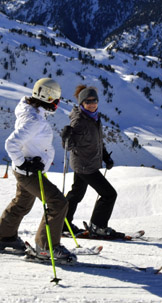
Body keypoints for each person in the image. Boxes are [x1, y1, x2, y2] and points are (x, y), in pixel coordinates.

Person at [0, 78, 75, 262]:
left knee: (22, 203)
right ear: (49, 98)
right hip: (28, 172)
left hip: (28, 170)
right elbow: (11, 143)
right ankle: (45, 247)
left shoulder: (33, 113)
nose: (58, 104)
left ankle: (3, 237)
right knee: (58, 203)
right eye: (57, 100)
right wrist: (23, 163)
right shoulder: (34, 119)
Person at [62, 84, 121, 239]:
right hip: (85, 166)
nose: (92, 103)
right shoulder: (80, 121)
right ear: (82, 103)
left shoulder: (93, 117)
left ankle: (62, 223)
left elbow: (97, 141)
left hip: (87, 163)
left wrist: (105, 156)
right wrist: (66, 137)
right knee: (109, 194)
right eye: (88, 101)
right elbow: (69, 145)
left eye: (94, 100)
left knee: (76, 194)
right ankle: (98, 226)